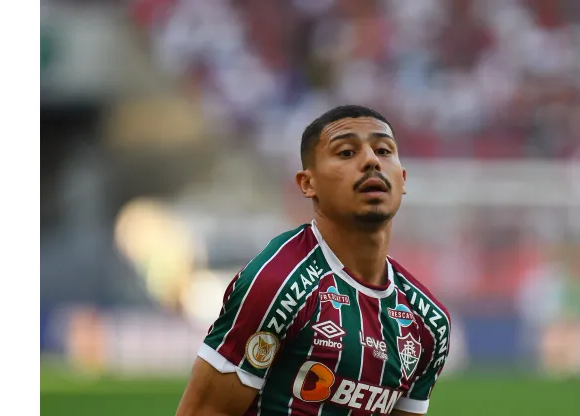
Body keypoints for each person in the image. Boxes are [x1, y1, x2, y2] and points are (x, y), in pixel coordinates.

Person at [176, 105, 451, 416]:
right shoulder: (278, 283)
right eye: (347, 152)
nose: (372, 160)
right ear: (308, 184)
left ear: (402, 178)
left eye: (384, 150)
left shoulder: (428, 322)